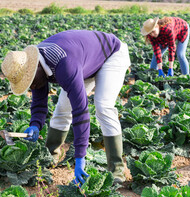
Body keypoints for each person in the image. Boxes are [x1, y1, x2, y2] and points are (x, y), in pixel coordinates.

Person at [1, 30, 131, 185]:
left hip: (111, 54)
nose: (32, 86)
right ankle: (49, 156)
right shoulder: (33, 67)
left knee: (103, 106)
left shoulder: (64, 64)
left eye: (31, 81)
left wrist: (80, 158)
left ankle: (116, 168)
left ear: (36, 68)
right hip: (85, 61)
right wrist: (35, 125)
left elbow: (81, 111)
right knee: (62, 108)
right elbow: (39, 102)